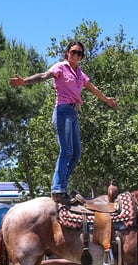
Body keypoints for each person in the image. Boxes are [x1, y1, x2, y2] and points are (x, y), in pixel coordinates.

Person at [9, 41, 118, 203]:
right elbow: (44, 76)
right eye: (73, 52)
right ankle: (58, 189)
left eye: (79, 53)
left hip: (74, 113)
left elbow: (93, 89)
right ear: (67, 52)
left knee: (76, 153)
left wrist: (107, 100)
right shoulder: (60, 67)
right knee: (66, 150)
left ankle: (61, 186)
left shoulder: (80, 74)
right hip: (63, 111)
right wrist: (25, 81)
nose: (76, 55)